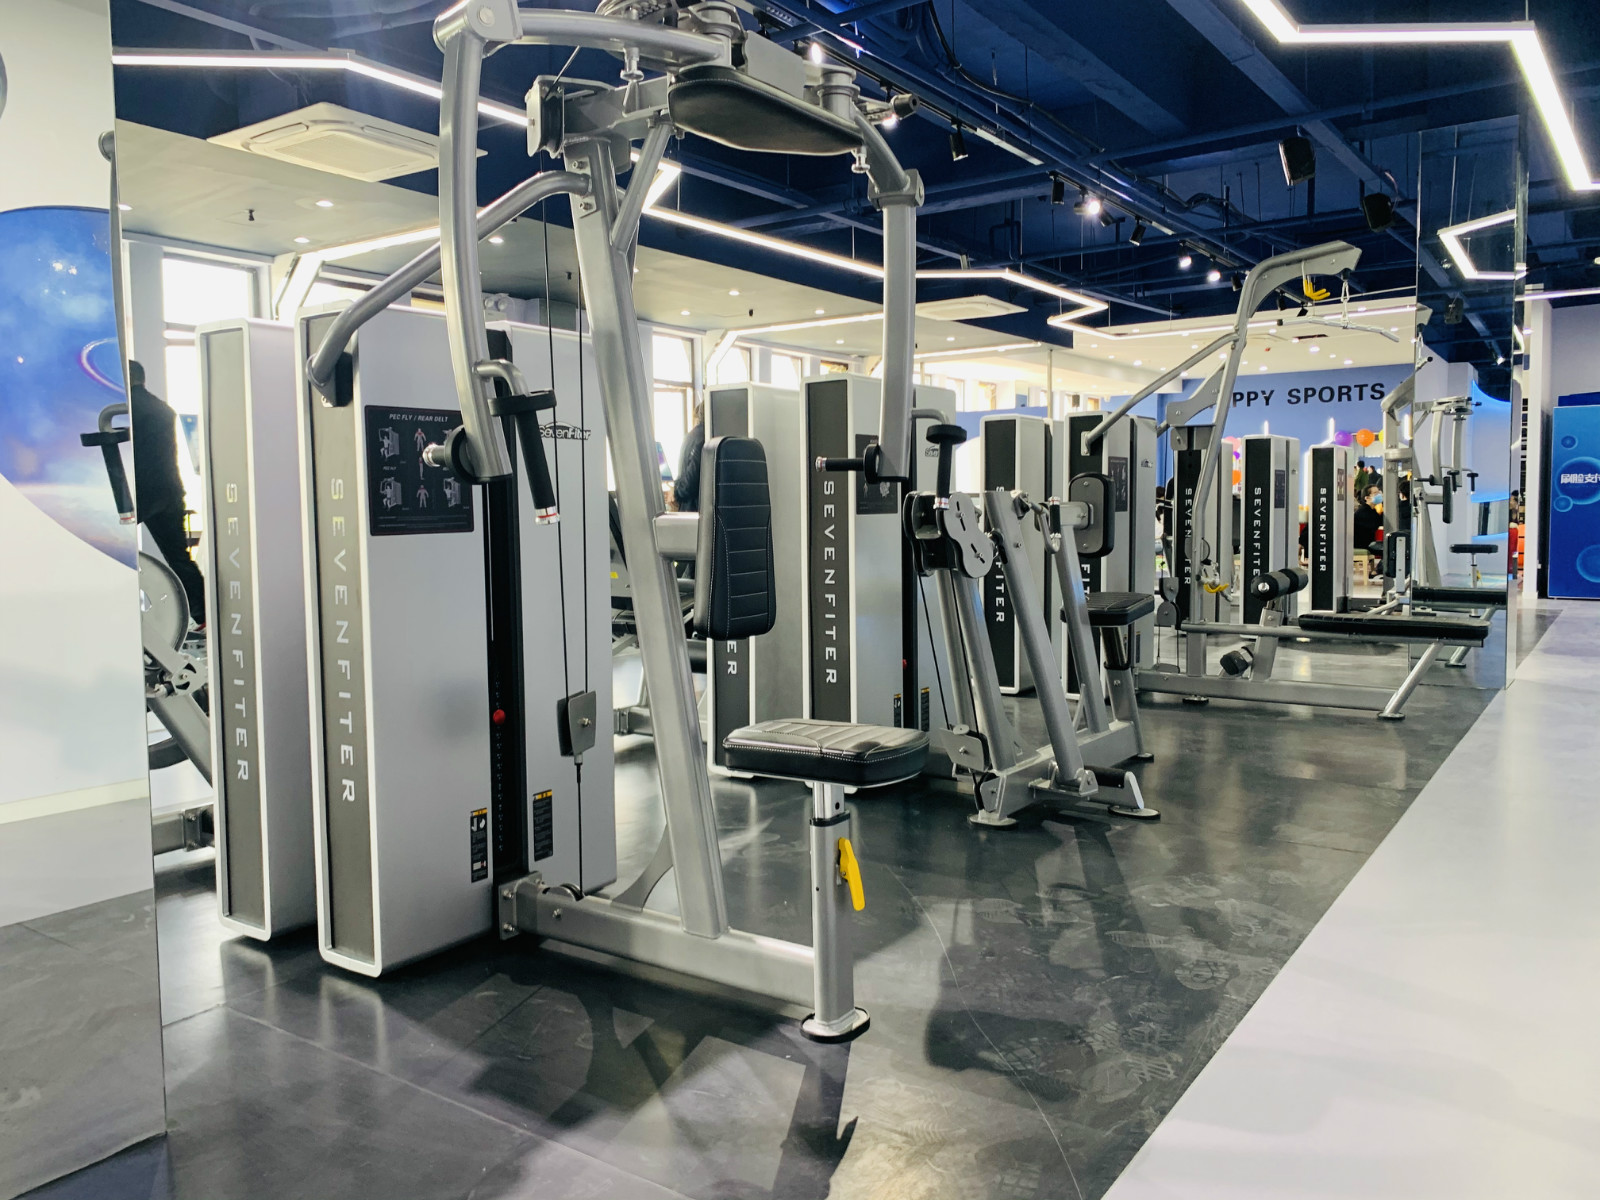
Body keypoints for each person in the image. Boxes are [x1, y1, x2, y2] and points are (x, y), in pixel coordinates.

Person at [128, 360, 206, 625]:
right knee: (179, 558)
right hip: (169, 491)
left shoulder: (127, 409)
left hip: (140, 492)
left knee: (109, 547)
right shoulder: (163, 408)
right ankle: (204, 615)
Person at [673, 401, 705, 513]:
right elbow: (689, 483)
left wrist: (676, 491)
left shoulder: (690, 436)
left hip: (686, 508)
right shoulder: (704, 438)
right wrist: (678, 492)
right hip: (696, 509)